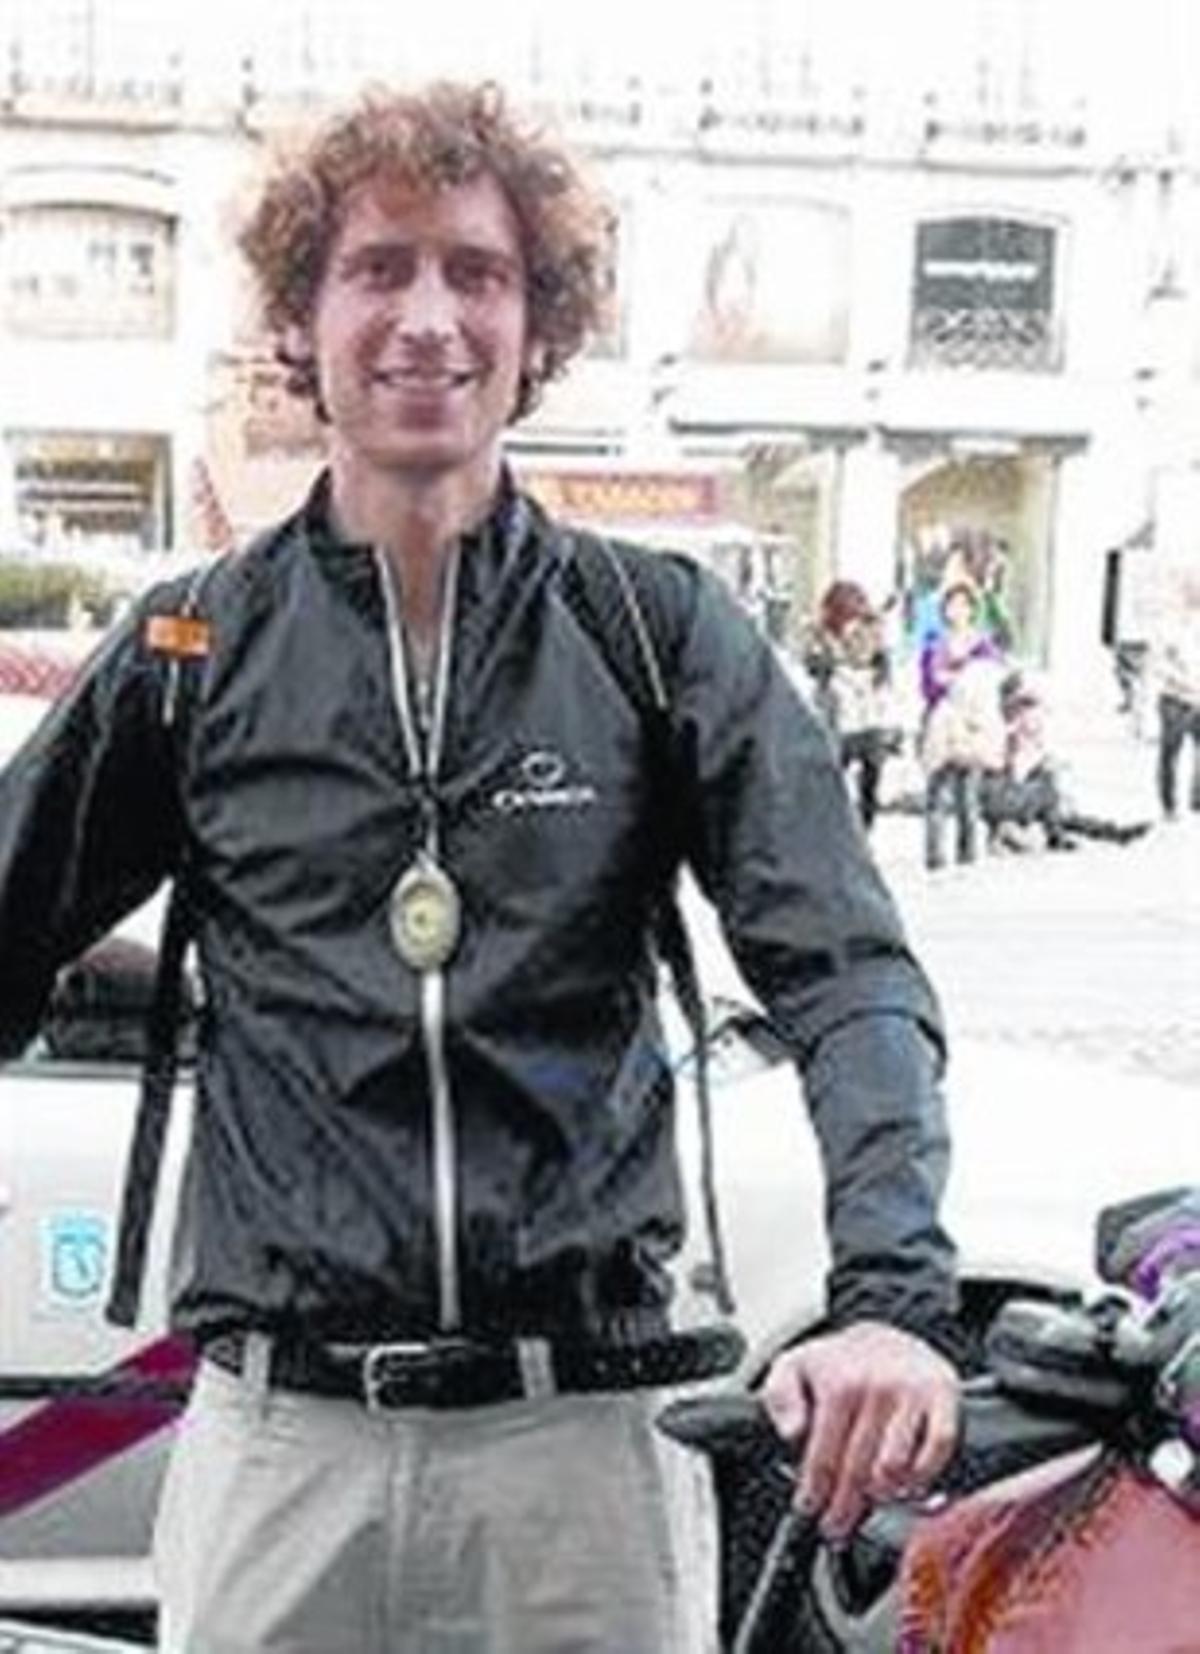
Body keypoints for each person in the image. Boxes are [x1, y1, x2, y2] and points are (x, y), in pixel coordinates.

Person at [0, 82, 960, 1651]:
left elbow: (847, 972)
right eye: (378, 268)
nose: (429, 317)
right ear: (301, 319)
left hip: (580, 1451)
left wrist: (891, 1300)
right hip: (281, 1448)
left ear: (538, 323)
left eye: (478, 271)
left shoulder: (653, 633)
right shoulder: (193, 648)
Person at [918, 579, 1006, 871]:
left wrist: (955, 680)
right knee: (936, 790)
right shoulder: (934, 645)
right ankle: (934, 856)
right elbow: (928, 687)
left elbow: (989, 682)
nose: (958, 611)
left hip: (972, 724)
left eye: (964, 605)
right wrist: (955, 681)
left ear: (972, 610)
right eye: (952, 605)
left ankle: (967, 855)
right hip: (940, 723)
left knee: (967, 793)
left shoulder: (983, 646)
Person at [805, 579, 900, 832]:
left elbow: (882, 665)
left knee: (870, 775)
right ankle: (833, 825)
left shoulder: (871, 629)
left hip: (867, 713)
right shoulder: (821, 634)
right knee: (834, 771)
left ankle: (863, 827)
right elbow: (813, 665)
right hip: (837, 712)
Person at [1152, 584, 1200, 821]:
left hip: (1196, 698)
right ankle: (1169, 805)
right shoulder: (1169, 628)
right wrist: (1183, 681)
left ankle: (1197, 800)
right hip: (1175, 699)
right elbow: (1158, 664)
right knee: (1170, 753)